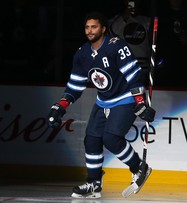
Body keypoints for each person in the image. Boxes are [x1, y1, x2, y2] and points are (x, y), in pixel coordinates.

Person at [47, 11, 155, 198]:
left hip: (125, 98)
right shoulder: (82, 54)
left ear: (103, 29)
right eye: (87, 27)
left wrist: (140, 101)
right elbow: (75, 86)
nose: (90, 31)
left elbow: (133, 74)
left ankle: (139, 167)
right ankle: (94, 183)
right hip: (103, 101)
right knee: (92, 140)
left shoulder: (116, 46)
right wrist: (61, 106)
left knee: (111, 138)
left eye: (94, 27)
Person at [109, 0, 152, 72]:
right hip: (123, 68)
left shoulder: (147, 21)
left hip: (143, 67)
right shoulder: (115, 21)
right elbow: (112, 32)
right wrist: (125, 16)